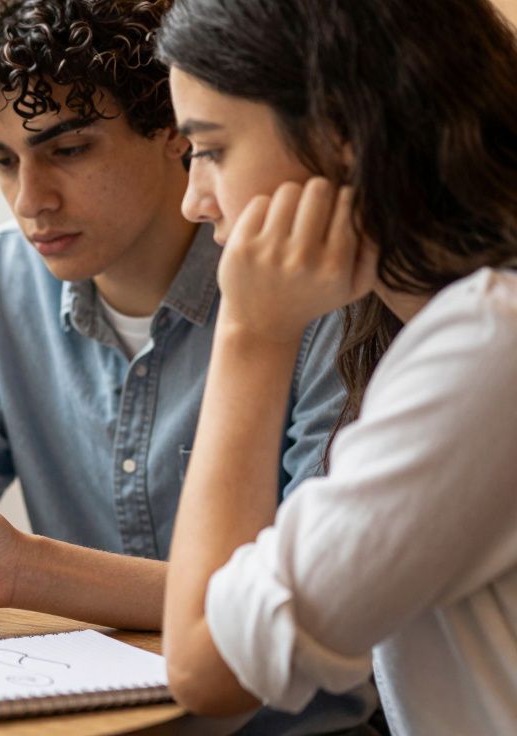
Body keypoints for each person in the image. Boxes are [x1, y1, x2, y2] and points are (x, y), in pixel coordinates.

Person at [0, 1, 374, 731]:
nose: (30, 201)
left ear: (175, 129)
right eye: (3, 161)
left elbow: (306, 602)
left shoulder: (309, 289)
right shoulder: (4, 276)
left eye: (68, 150)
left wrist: (27, 566)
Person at [151, 0, 517, 732]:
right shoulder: (434, 327)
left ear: (343, 134)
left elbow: (204, 667)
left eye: (213, 149)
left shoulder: (488, 346)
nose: (193, 200)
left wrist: (251, 335)